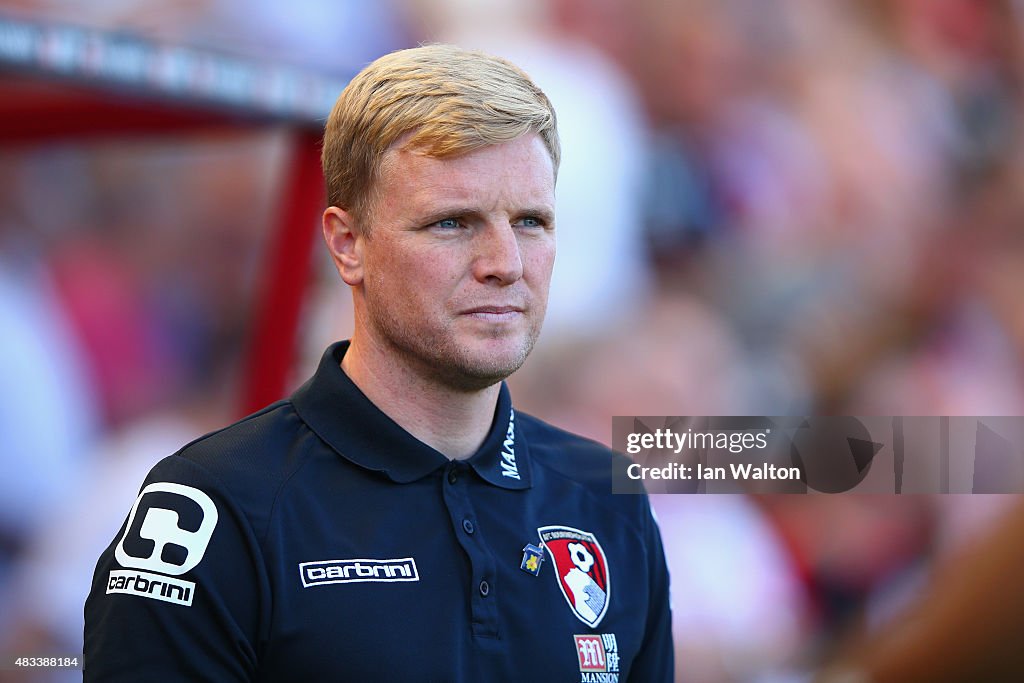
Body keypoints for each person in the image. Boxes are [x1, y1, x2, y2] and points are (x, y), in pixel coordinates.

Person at [84, 44, 673, 681]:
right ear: (347, 245)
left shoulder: (605, 497)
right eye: (452, 223)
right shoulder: (213, 506)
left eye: (530, 221)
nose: (505, 262)